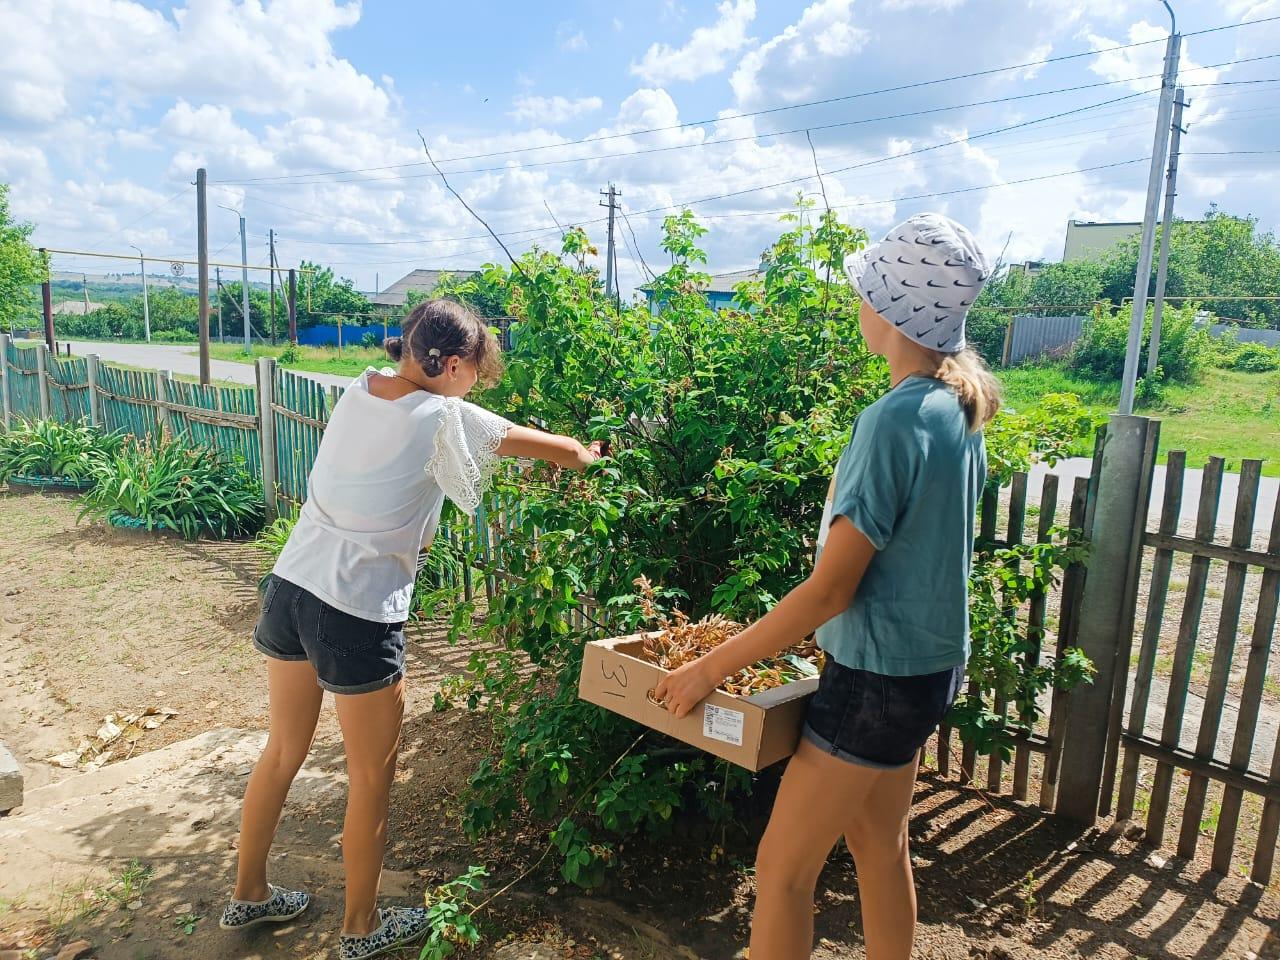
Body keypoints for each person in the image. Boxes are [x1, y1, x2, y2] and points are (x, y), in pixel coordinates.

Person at [655, 213, 1000, 960]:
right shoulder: (957, 410)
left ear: (890, 310)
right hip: (927, 671)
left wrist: (708, 668)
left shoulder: (891, 422)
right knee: (881, 848)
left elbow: (829, 592)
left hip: (875, 683)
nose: (857, 303)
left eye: (865, 290)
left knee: (781, 873)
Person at [219, 299, 602, 960]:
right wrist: (595, 456)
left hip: (291, 585)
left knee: (282, 750)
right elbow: (564, 452)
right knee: (372, 777)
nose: (476, 385)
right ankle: (360, 930)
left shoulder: (358, 386)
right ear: (452, 365)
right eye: (476, 372)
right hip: (355, 610)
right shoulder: (446, 417)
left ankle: (248, 892)